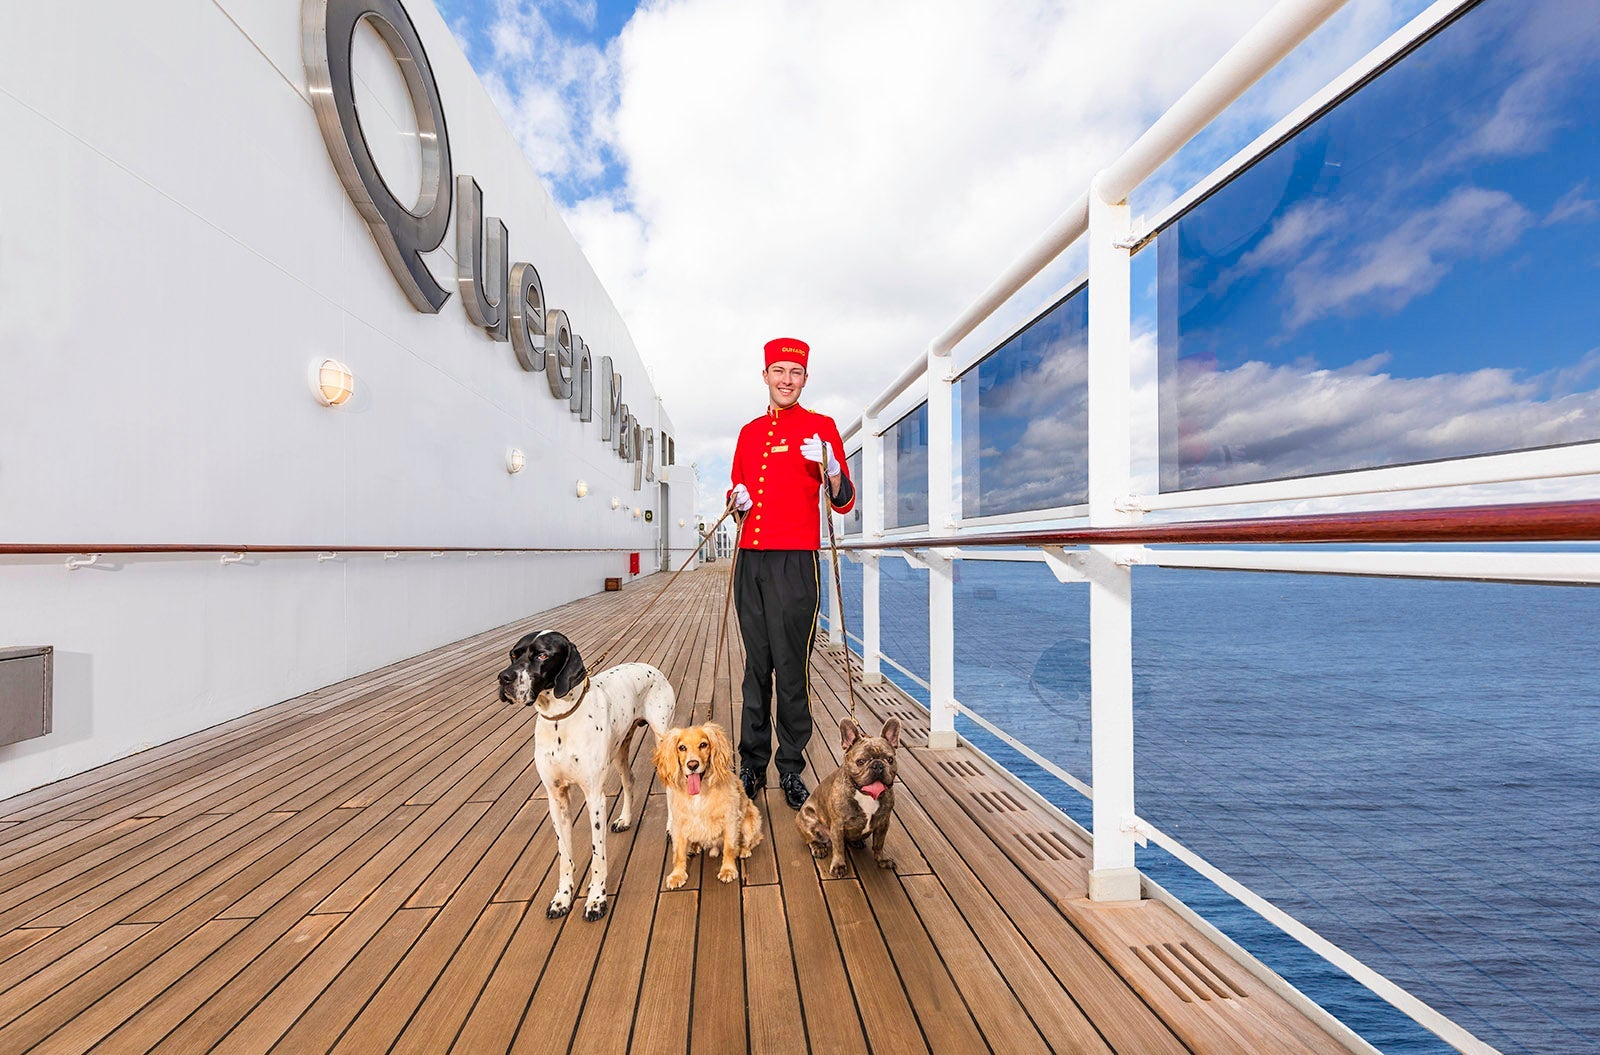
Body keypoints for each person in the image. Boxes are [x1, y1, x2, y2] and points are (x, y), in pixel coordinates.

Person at [727, 337, 855, 810]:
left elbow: (843, 499)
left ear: (805, 378)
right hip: (751, 561)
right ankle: (752, 763)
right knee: (756, 667)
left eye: (795, 372)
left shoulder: (821, 428)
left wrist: (833, 470)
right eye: (778, 370)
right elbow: (738, 489)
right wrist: (734, 502)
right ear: (765, 376)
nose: (786, 379)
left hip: (795, 561)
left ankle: (791, 766)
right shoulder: (747, 432)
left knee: (792, 668)